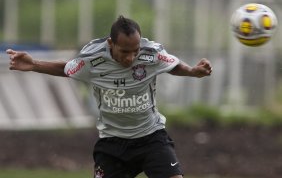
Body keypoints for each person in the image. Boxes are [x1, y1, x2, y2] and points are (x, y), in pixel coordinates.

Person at [6, 16, 212, 178]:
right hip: (113, 144)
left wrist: (193, 71)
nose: (131, 58)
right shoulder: (92, 60)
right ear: (111, 43)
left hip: (151, 138)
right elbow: (66, 69)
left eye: (135, 51)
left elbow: (173, 66)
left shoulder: (151, 54)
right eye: (124, 51)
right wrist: (34, 65)